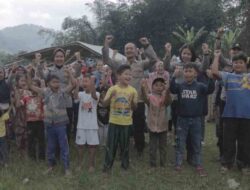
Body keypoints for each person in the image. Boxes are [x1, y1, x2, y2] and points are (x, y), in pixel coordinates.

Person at [102, 35, 158, 156]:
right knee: (122, 126)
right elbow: (106, 60)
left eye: (131, 48)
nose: (129, 50)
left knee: (138, 126)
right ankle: (122, 148)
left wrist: (147, 45)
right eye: (126, 49)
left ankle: (140, 148)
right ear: (124, 51)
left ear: (136, 50)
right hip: (122, 102)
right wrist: (106, 45)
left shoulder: (141, 64)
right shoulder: (120, 65)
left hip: (138, 101)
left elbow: (154, 60)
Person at [28, 68, 75, 176]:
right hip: (49, 125)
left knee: (64, 147)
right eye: (54, 82)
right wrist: (29, 74)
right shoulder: (45, 91)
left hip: (61, 124)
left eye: (58, 82)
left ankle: (66, 168)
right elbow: (30, 86)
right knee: (50, 146)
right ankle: (51, 166)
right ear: (48, 83)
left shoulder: (63, 91)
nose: (57, 84)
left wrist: (70, 74)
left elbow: (73, 84)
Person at [170, 63, 214, 177]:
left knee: (196, 143)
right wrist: (173, 76)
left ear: (195, 73)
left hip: (196, 120)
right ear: (183, 73)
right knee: (180, 142)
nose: (188, 73)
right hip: (182, 120)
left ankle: (198, 164)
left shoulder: (200, 86)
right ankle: (178, 163)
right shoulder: (180, 86)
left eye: (190, 71)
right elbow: (172, 89)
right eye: (186, 71)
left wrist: (210, 78)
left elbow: (210, 90)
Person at [211, 51, 250, 174]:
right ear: (232, 64)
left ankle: (243, 165)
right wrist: (216, 57)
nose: (238, 64)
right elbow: (214, 72)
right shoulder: (228, 76)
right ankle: (227, 164)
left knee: (246, 142)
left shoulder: (248, 77)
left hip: (247, 116)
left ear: (246, 64)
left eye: (241, 62)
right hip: (229, 115)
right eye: (235, 62)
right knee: (228, 141)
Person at [102, 64, 138, 172]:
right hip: (113, 122)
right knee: (111, 146)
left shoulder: (133, 91)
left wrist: (132, 102)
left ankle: (125, 166)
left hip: (126, 123)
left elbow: (135, 108)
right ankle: (107, 168)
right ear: (118, 76)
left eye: (130, 75)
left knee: (125, 146)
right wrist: (111, 96)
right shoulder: (113, 89)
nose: (128, 76)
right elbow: (104, 104)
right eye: (126, 74)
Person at [141, 77, 171, 167]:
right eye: (156, 85)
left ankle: (163, 163)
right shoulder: (150, 97)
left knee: (163, 147)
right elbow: (145, 99)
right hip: (152, 126)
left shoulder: (165, 97)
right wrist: (143, 88)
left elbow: (168, 101)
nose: (159, 87)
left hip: (163, 126)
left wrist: (167, 90)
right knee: (152, 147)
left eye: (161, 85)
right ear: (152, 87)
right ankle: (152, 163)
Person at [74, 74, 99, 173]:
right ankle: (79, 164)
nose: (84, 83)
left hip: (92, 126)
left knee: (92, 146)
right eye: (83, 81)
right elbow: (75, 97)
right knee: (80, 146)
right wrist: (77, 84)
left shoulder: (96, 93)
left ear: (91, 83)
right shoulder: (81, 94)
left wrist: (92, 82)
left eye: (86, 81)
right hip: (81, 126)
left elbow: (94, 96)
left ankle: (91, 165)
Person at [20, 78, 45, 161]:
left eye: (35, 85)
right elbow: (18, 104)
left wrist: (42, 85)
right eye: (32, 85)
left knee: (41, 140)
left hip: (40, 121)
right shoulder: (26, 97)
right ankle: (32, 157)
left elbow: (43, 91)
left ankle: (42, 157)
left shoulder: (41, 96)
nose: (33, 87)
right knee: (31, 140)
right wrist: (19, 93)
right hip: (29, 122)